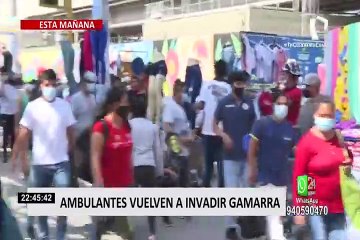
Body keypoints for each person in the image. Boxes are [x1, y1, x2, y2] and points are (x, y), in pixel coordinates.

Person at [11, 69, 76, 240]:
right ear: (41, 85)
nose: (51, 88)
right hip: (40, 164)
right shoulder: (33, 107)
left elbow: (71, 130)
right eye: (48, 85)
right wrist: (19, 156)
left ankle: (60, 234)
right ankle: (43, 235)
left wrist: (71, 148)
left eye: (54, 85)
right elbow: (23, 133)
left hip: (61, 163)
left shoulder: (64, 106)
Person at [293, 99, 352, 240]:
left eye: (329, 116)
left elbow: (347, 159)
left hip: (338, 206)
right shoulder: (307, 143)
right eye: (322, 115)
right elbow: (300, 176)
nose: (326, 119)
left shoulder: (339, 138)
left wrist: (348, 162)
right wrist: (300, 209)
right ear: (315, 116)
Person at [213, 71, 256, 240]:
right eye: (237, 84)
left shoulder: (250, 103)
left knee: (246, 191)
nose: (240, 87)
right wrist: (223, 135)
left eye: (242, 84)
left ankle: (245, 224)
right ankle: (230, 227)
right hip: (229, 156)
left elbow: (255, 127)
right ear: (232, 84)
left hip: (246, 155)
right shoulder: (224, 103)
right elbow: (214, 124)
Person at [248, 94, 296, 240]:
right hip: (264, 176)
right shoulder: (262, 124)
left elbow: (297, 151)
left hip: (281, 178)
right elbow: (252, 148)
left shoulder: (290, 129)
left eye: (285, 104)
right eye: (279, 103)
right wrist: (252, 168)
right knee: (273, 217)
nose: (282, 107)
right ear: (274, 105)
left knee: (275, 217)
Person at [91, 87, 133, 239]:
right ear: (114, 104)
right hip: (108, 186)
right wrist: (99, 183)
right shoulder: (101, 127)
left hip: (125, 184)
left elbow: (129, 154)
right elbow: (95, 156)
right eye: (124, 102)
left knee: (117, 229)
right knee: (118, 230)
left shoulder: (127, 126)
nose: (127, 106)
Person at [129, 101, 163, 240]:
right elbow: (158, 150)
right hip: (149, 164)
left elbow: (128, 148)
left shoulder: (129, 125)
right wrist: (159, 170)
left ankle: (130, 229)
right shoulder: (153, 127)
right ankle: (152, 233)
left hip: (134, 164)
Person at [196, 60, 232, 187]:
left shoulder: (206, 85)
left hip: (207, 131)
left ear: (215, 70)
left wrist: (196, 125)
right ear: (226, 72)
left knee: (208, 167)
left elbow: (201, 106)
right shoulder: (229, 88)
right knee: (222, 169)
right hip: (222, 133)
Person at [162, 80, 194, 188]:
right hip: (177, 153)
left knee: (184, 181)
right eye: (183, 92)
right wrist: (177, 146)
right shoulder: (170, 106)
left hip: (183, 151)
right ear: (178, 92)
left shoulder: (179, 107)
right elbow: (167, 126)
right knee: (178, 182)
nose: (184, 96)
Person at [71, 72, 97, 182]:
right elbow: (71, 119)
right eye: (89, 82)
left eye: (93, 82)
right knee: (78, 163)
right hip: (79, 136)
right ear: (83, 82)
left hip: (90, 136)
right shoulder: (76, 98)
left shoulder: (92, 97)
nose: (91, 85)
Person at [0, 73, 20, 162]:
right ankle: (9, 153)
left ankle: (6, 154)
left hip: (5, 114)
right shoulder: (10, 89)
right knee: (10, 133)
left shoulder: (7, 88)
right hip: (9, 114)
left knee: (6, 133)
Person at [282, 59, 302, 127]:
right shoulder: (285, 90)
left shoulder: (296, 92)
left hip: (290, 128)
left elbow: (283, 105)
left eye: (286, 74)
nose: (284, 76)